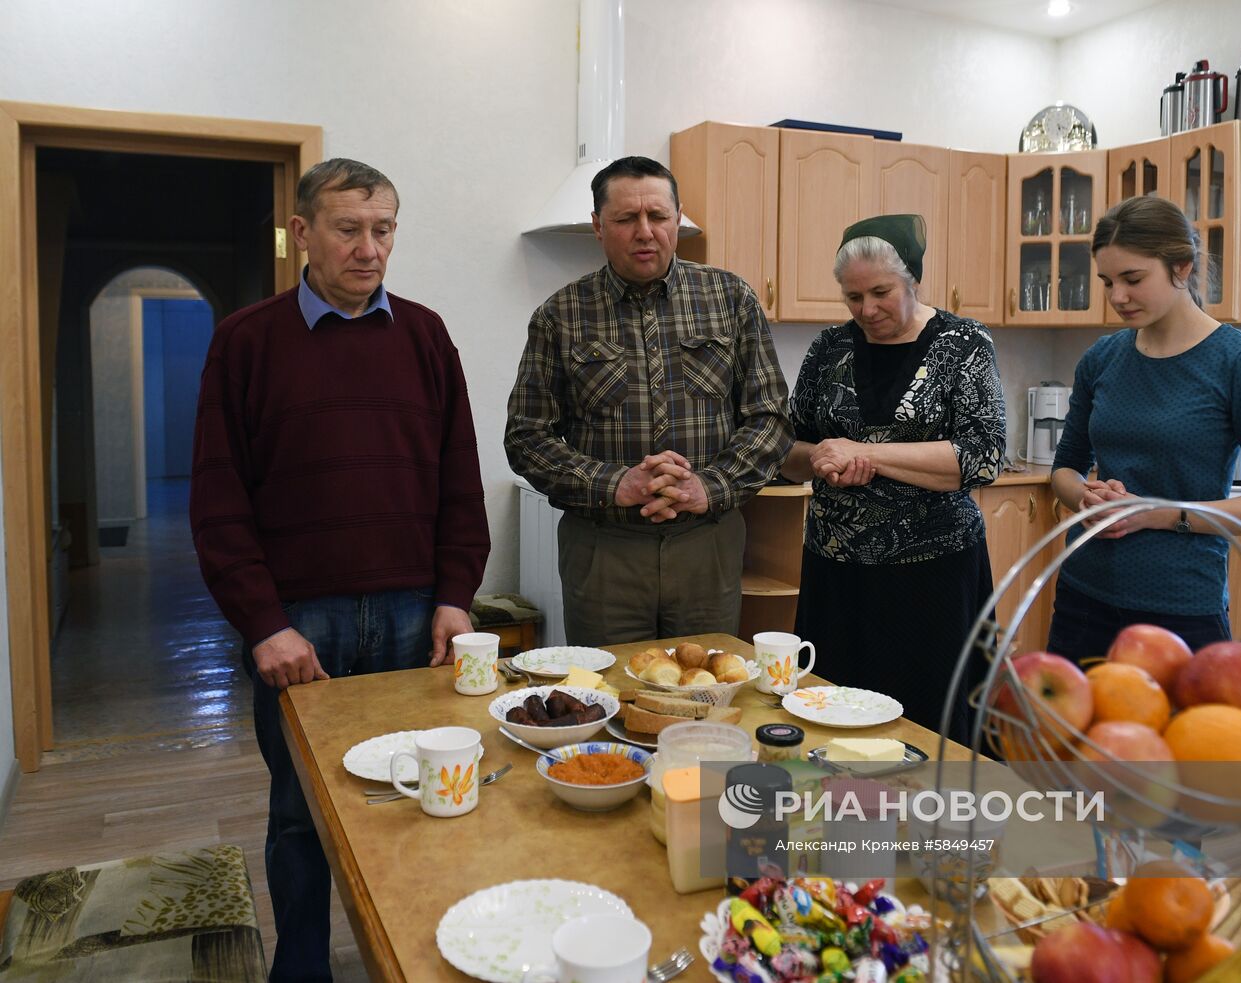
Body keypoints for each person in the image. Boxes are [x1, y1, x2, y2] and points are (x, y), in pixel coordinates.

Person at [190, 158, 490, 981]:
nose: (369, 248)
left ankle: (418, 956)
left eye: (383, 229)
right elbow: (217, 503)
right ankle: (305, 968)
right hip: (300, 626)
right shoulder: (245, 342)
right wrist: (263, 623)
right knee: (300, 815)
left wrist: (456, 598)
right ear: (302, 235)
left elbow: (460, 481)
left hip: (411, 616)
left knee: (418, 797)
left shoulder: (426, 336)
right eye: (349, 229)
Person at [505, 156, 792, 645]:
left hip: (707, 543)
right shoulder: (561, 314)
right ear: (598, 226)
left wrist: (710, 486)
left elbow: (771, 418)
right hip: (603, 550)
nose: (645, 232)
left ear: (676, 219)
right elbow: (526, 437)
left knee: (706, 696)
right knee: (606, 698)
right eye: (625, 219)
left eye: (658, 217)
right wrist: (616, 483)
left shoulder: (731, 298)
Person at [1048, 195, 1241, 663]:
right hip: (1083, 593)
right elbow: (1064, 468)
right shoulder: (1102, 359)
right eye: (1108, 282)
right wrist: (1085, 498)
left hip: (1181, 607)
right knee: (1067, 737)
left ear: (1182, 268)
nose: (1117, 297)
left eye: (1133, 279)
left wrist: (1156, 513)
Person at [781, 214, 1006, 742]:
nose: (867, 310)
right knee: (830, 712)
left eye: (880, 292)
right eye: (852, 297)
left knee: (930, 721)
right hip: (838, 572)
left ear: (914, 279)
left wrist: (868, 454)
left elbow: (983, 456)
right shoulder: (828, 348)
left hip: (934, 576)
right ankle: (837, 819)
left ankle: (932, 823)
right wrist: (819, 460)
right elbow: (788, 452)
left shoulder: (963, 343)